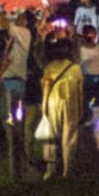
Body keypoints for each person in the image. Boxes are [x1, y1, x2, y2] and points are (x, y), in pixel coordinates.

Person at [0, 10, 34, 175]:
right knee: (18, 125)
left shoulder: (19, 31)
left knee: (10, 126)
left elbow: (4, 22)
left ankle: (15, 170)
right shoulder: (25, 34)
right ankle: (21, 166)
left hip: (7, 81)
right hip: (19, 81)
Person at [37, 34, 84, 179]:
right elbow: (80, 90)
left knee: (51, 136)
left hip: (52, 102)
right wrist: (81, 108)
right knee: (69, 136)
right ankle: (67, 170)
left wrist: (44, 106)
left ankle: (50, 169)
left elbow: (45, 87)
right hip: (71, 103)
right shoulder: (75, 68)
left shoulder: (49, 67)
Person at [77, 28, 99, 112]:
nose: (90, 38)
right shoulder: (81, 49)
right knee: (86, 100)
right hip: (86, 78)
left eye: (93, 35)